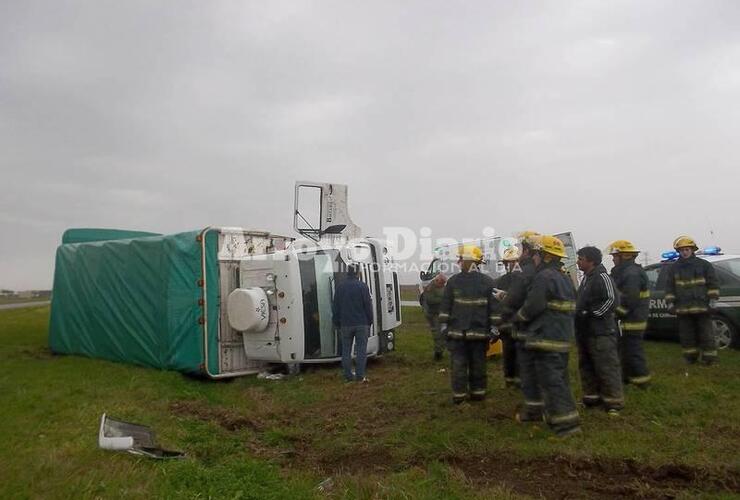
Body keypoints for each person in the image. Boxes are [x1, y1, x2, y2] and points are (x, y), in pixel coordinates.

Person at [514, 235, 581, 436]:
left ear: (545, 256)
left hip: (546, 336)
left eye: (536, 254)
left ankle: (566, 426)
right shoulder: (564, 276)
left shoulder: (543, 277)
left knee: (553, 382)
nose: (533, 258)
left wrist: (518, 316)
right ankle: (558, 418)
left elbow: (533, 306)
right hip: (560, 337)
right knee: (559, 379)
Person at [438, 244, 496, 404]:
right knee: (463, 367)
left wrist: (495, 328)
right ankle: (461, 396)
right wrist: (443, 325)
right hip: (463, 335)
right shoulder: (454, 282)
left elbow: (494, 308)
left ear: (470, 261)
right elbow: (446, 306)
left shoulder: (486, 283)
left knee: (472, 366)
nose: (458, 262)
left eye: (461, 259)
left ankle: (475, 395)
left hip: (470, 334)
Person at [575, 246, 624, 415]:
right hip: (586, 332)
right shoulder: (586, 279)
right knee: (587, 365)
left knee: (606, 367)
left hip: (601, 332)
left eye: (581, 259)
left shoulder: (602, 277)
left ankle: (613, 404)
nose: (578, 261)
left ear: (591, 261)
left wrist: (591, 313)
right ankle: (591, 398)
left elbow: (612, 300)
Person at [665, 235, 720, 365]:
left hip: (702, 307)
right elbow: (670, 287)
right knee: (686, 336)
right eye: (682, 250)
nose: (684, 252)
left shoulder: (704, 265)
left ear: (692, 250)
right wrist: (670, 303)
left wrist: (713, 301)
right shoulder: (673, 268)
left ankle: (709, 359)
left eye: (687, 249)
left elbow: (713, 284)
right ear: (678, 251)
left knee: (706, 334)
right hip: (683, 308)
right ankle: (690, 358)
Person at [606, 240, 651, 387]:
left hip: (633, 319)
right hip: (627, 319)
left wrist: (617, 313)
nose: (613, 259)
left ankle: (641, 383)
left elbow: (629, 299)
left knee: (633, 351)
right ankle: (627, 378)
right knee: (625, 351)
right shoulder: (623, 271)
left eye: (615, 256)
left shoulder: (631, 273)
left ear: (624, 256)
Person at [491, 246, 528, 387]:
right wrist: (496, 326)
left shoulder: (526, 279)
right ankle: (509, 381)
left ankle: (520, 382)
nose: (511, 265)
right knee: (508, 354)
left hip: (522, 323)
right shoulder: (501, 281)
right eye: (508, 262)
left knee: (522, 354)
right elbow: (495, 306)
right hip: (506, 325)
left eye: (514, 262)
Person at [332, 264, 374, 382]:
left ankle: (348, 376)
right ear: (358, 273)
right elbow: (368, 306)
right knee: (361, 350)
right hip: (361, 323)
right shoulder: (363, 286)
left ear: (348, 272)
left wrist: (336, 322)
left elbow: (335, 307)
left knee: (346, 350)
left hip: (345, 324)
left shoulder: (340, 287)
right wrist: (370, 321)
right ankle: (360, 376)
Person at [421, 273, 448, 361]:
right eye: (441, 283)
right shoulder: (430, 288)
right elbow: (430, 300)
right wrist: (443, 300)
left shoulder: (443, 287)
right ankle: (438, 353)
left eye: (444, 283)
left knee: (444, 333)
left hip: (442, 313)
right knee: (437, 334)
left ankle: (441, 350)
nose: (443, 285)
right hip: (433, 314)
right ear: (437, 281)